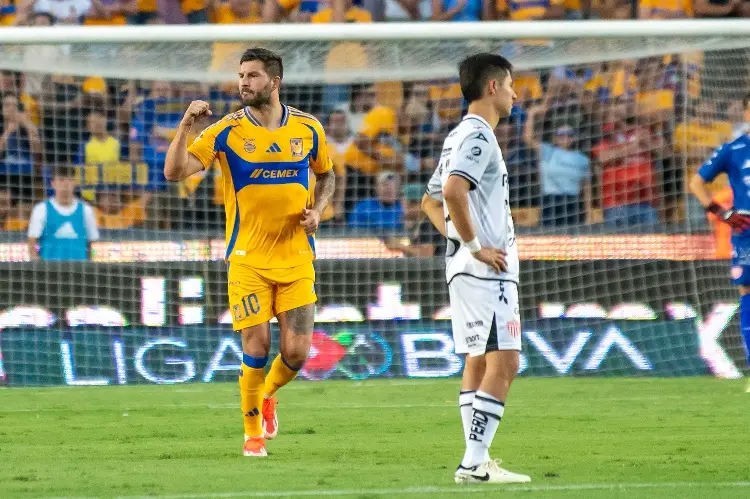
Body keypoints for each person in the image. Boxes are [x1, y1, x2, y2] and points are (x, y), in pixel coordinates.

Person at [163, 47, 335, 457]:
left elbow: (327, 177)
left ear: (274, 82)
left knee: (295, 353)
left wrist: (320, 210)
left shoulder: (309, 129)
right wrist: (186, 125)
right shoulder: (226, 130)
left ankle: (269, 395)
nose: (244, 82)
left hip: (296, 259)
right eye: (241, 75)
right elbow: (174, 172)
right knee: (256, 346)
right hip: (247, 261)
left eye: (253, 75)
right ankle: (252, 434)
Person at [424, 53, 530, 484]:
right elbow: (451, 192)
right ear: (492, 88)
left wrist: (458, 242)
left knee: (478, 361)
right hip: (486, 272)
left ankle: (477, 460)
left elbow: (429, 200)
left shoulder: (459, 136)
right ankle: (473, 463)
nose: (514, 93)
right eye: (509, 85)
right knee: (505, 362)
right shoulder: (478, 135)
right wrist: (475, 246)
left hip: (468, 269)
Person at [689, 93, 750, 393]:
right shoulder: (734, 149)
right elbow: (696, 182)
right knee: (748, 293)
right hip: (746, 231)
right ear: (746, 113)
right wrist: (721, 213)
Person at [27, 165, 99, 261]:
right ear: (53, 183)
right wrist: (39, 267)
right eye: (61, 180)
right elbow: (32, 243)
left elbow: (92, 244)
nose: (65, 184)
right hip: (50, 272)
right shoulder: (41, 209)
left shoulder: (86, 210)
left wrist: (91, 263)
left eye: (69, 180)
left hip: (80, 271)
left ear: (74, 183)